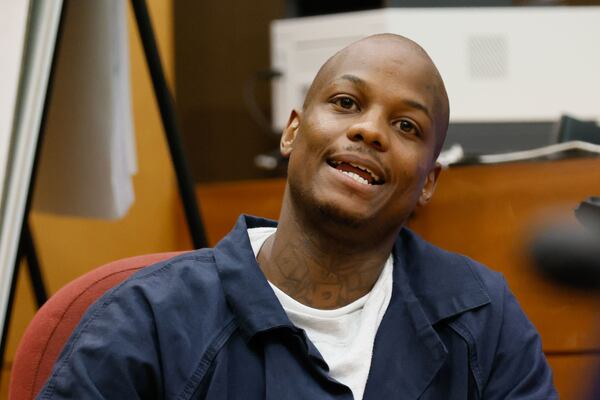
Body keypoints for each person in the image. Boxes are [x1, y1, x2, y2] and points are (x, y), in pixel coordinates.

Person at [38, 34, 557, 399]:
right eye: (347, 102)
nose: (370, 131)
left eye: (405, 125)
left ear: (429, 182)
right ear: (292, 132)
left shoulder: (483, 318)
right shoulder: (149, 317)